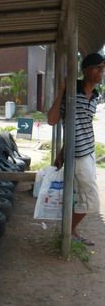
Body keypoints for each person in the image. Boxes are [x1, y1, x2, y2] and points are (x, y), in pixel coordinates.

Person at [47, 52, 105, 245]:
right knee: (90, 200)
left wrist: (62, 152)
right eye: (98, 68)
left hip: (88, 152)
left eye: (103, 68)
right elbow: (52, 120)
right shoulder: (72, 92)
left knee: (83, 196)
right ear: (86, 70)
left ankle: (70, 232)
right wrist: (62, 92)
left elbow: (79, 125)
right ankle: (69, 232)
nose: (102, 72)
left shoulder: (96, 96)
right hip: (78, 155)